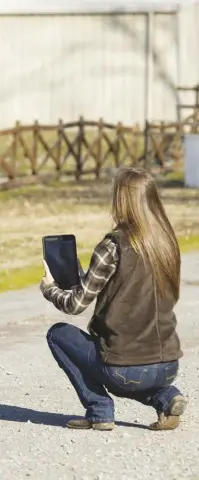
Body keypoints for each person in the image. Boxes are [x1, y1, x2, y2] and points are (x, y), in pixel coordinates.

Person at [40, 166, 187, 431]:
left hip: (126, 368)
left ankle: (99, 411)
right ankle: (167, 397)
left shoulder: (113, 245)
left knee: (58, 334)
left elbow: (74, 305)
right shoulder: (168, 242)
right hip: (168, 365)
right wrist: (84, 278)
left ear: (121, 200)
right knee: (131, 374)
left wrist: (50, 288)